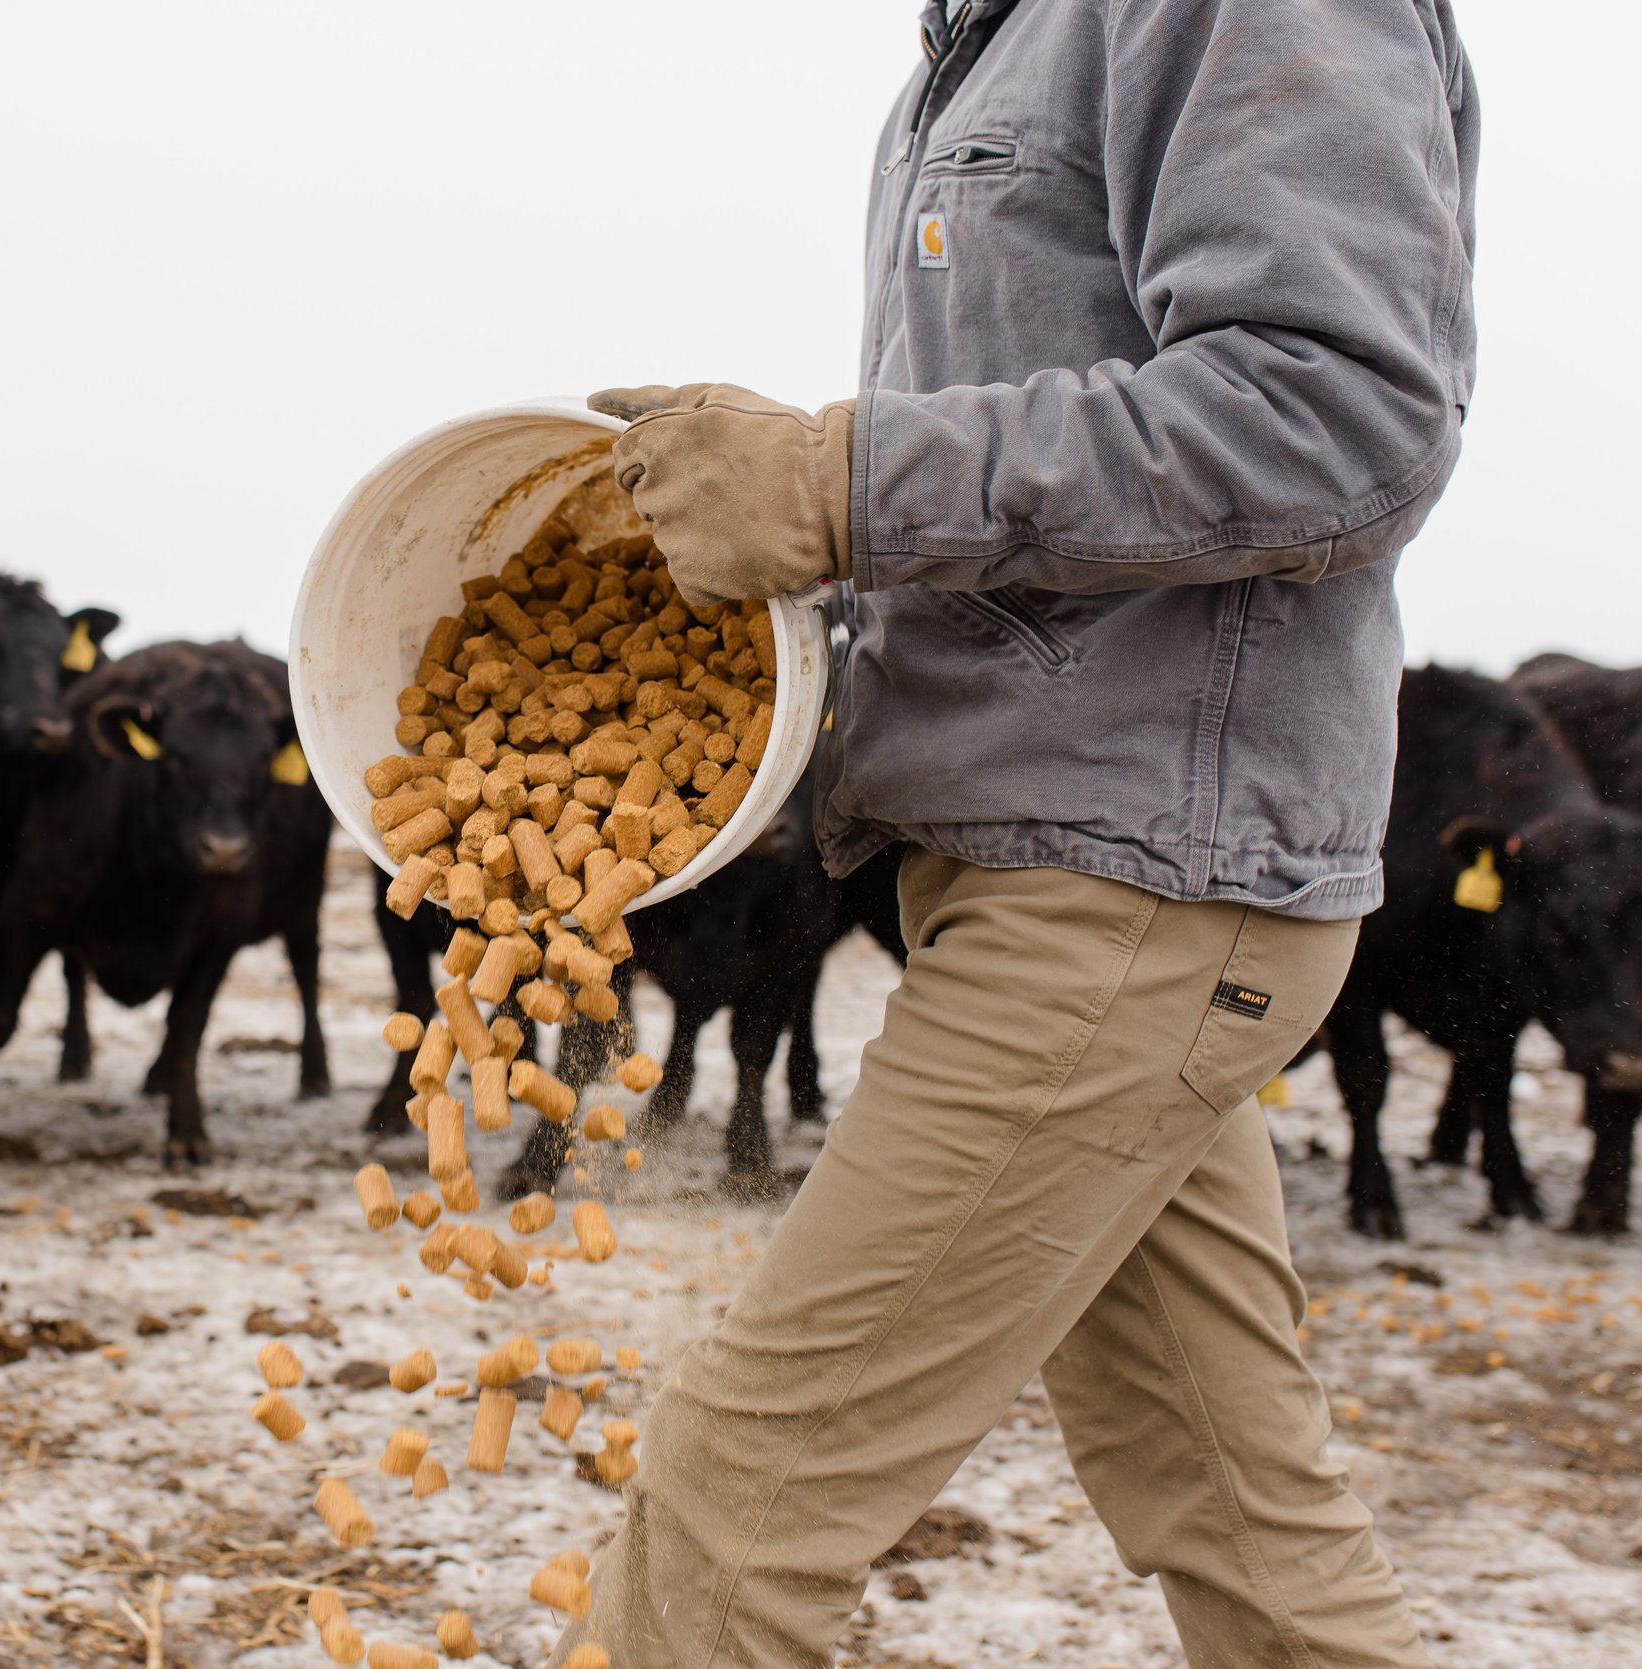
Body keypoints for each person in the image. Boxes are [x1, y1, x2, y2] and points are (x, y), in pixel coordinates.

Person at [565, 2, 1475, 1665]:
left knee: (734, 1499)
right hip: (1056, 872)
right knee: (1231, 1497)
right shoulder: (996, 42)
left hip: (1133, 893)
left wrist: (839, 481)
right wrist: (802, 488)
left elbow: (1336, 415)